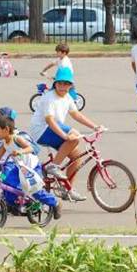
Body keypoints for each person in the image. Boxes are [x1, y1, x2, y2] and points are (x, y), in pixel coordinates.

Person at [28, 66, 101, 202]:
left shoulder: (67, 97)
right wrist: (65, 136)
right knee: (74, 136)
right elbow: (49, 120)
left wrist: (95, 126)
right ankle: (53, 166)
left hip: (54, 128)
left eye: (66, 84)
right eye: (60, 83)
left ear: (70, 85)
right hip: (41, 130)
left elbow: (76, 114)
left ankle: (67, 190)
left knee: (77, 157)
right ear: (55, 83)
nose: (62, 87)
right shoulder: (49, 97)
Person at [0, 115, 58, 214]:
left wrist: (20, 151)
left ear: (7, 129)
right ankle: (19, 203)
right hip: (20, 168)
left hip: (32, 167)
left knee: (35, 191)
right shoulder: (5, 143)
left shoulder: (16, 139)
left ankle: (55, 203)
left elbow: (30, 148)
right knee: (6, 181)